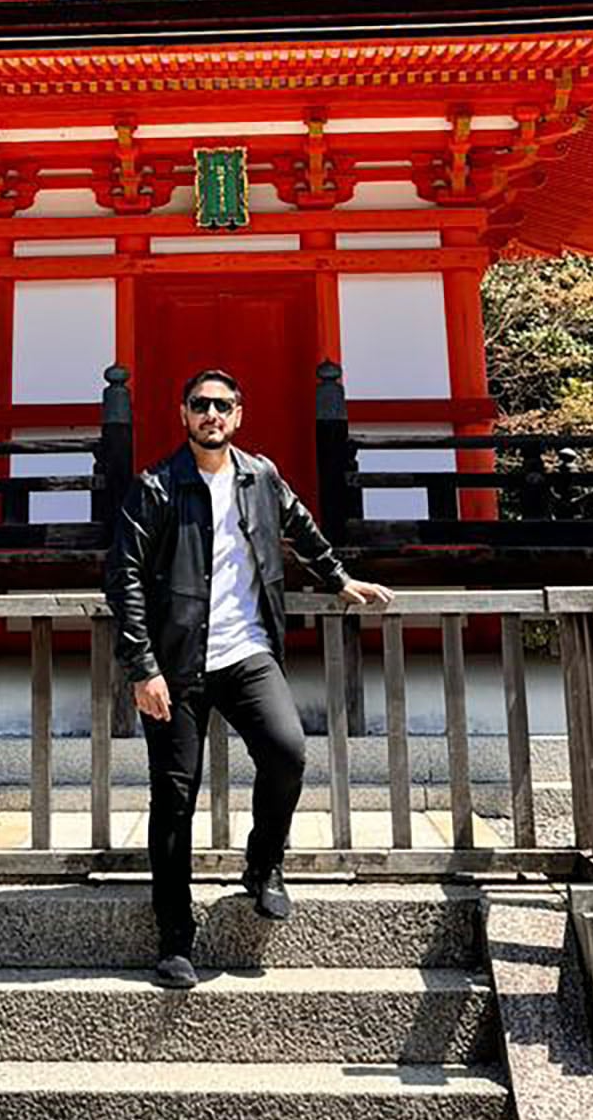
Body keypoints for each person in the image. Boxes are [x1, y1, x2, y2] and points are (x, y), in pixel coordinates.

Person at [104, 366, 393, 988]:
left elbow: (303, 529)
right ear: (183, 414)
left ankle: (263, 865)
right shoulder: (154, 488)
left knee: (288, 752)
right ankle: (175, 936)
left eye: (223, 406)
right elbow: (123, 578)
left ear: (239, 415)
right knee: (175, 798)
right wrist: (142, 666)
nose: (212, 415)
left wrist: (339, 579)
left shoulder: (260, 477)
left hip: (247, 654)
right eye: (200, 404)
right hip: (175, 666)